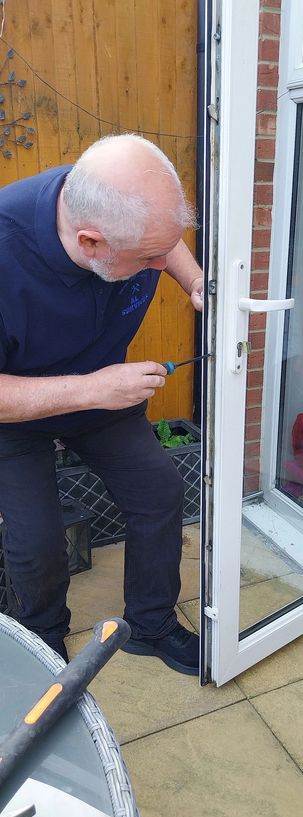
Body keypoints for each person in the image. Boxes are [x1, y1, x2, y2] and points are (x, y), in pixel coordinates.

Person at [0, 134, 203, 675]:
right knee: (38, 541)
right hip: (14, 412)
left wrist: (196, 280)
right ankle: (45, 650)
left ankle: (153, 626)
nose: (162, 263)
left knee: (158, 490)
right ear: (90, 243)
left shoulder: (118, 199)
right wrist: (94, 388)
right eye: (148, 259)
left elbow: (162, 241)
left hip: (102, 394)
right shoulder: (5, 249)